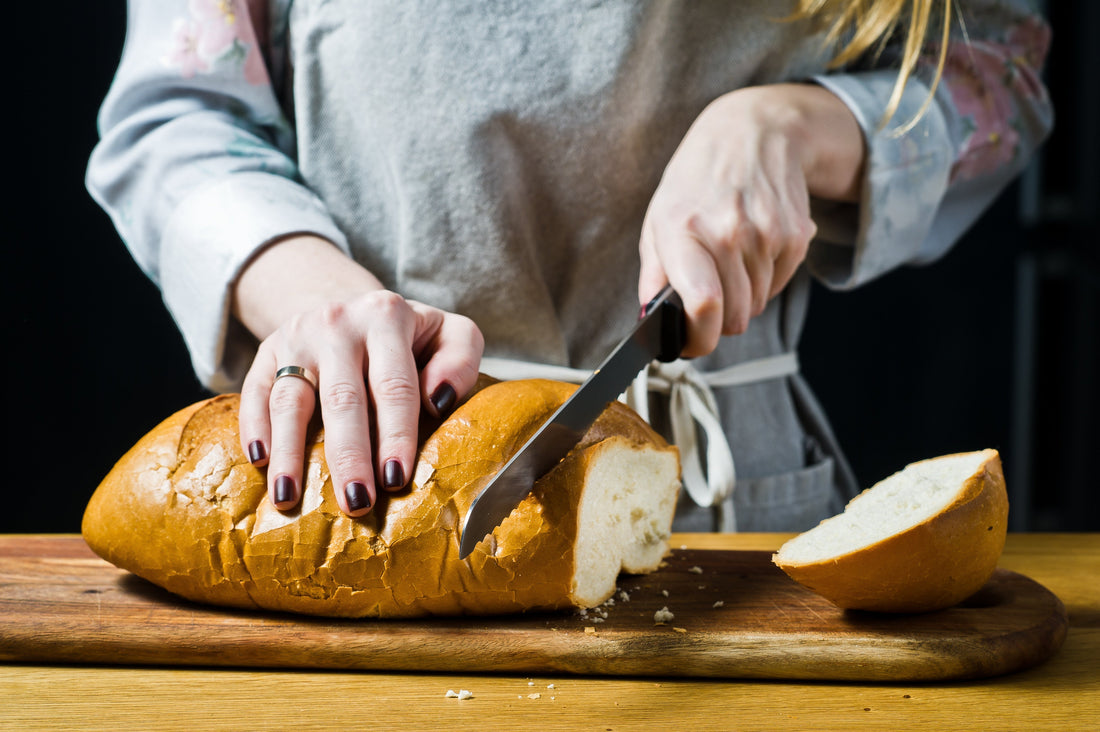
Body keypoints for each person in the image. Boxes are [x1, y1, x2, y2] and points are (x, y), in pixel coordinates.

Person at [87, 0, 1052, 533]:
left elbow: (1004, 67)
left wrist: (801, 125)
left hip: (736, 515)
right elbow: (178, 114)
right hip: (386, 483)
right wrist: (323, 305)